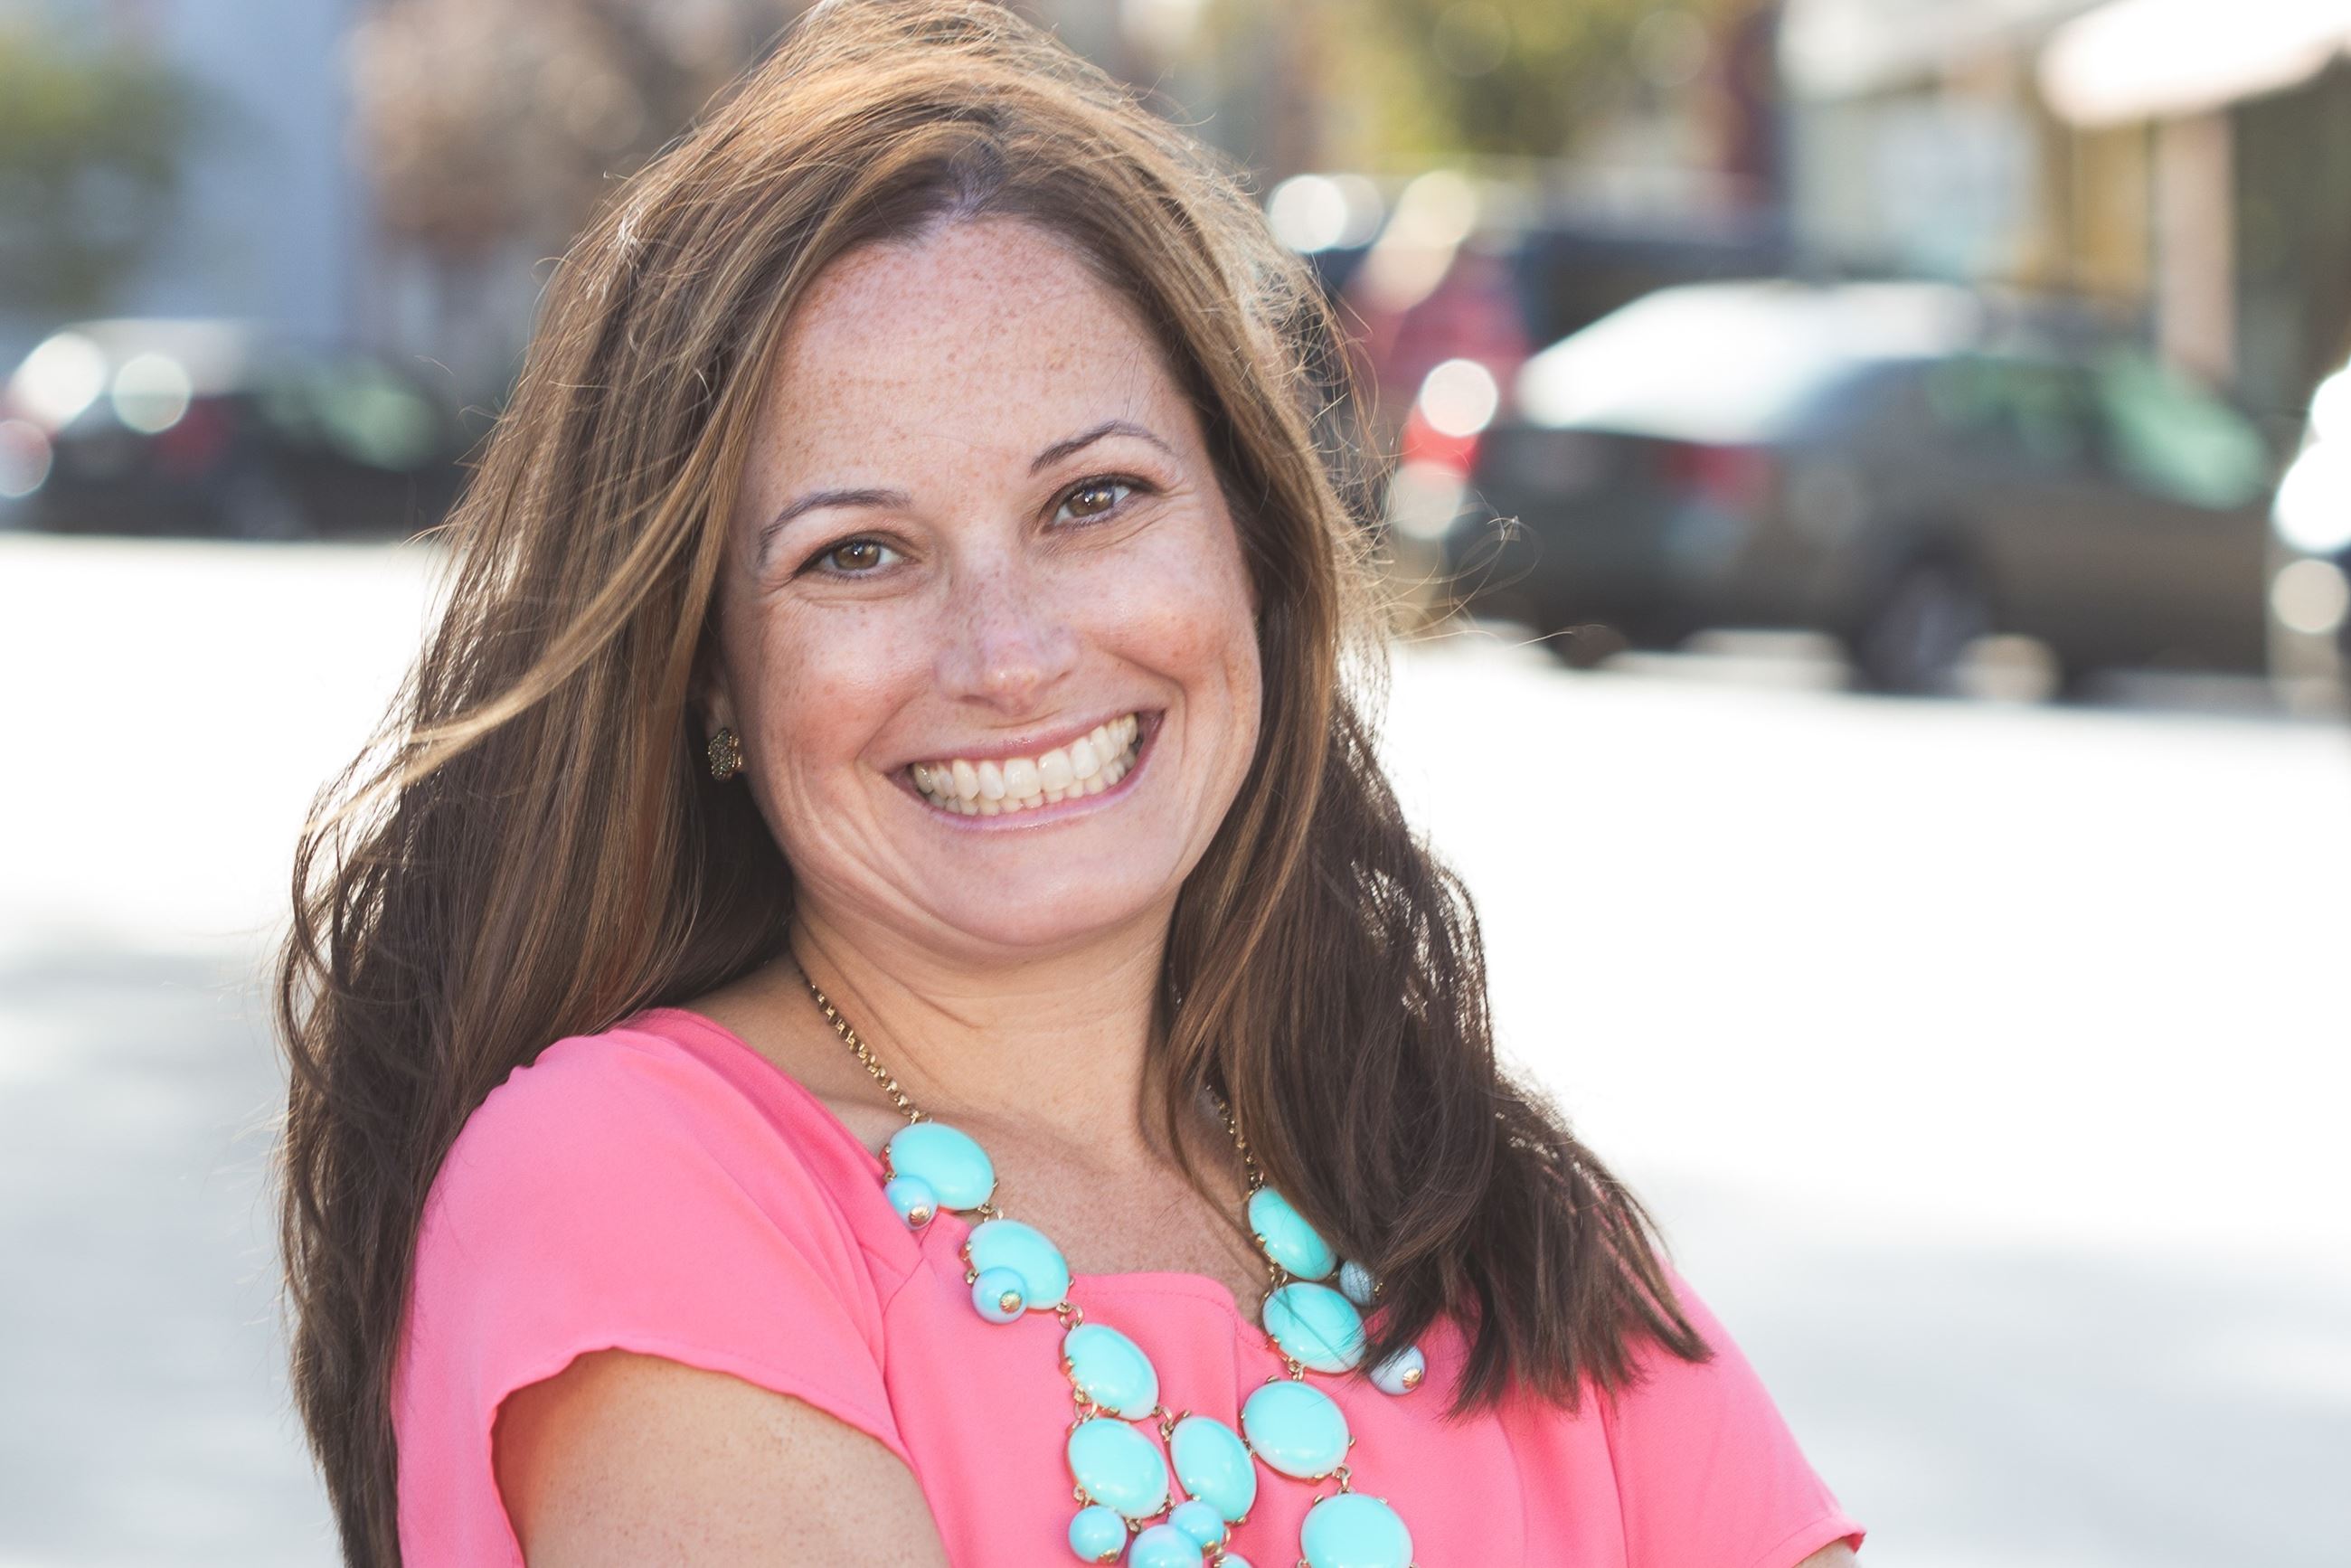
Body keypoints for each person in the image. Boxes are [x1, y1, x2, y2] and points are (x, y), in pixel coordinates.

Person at [274, 4, 1867, 1564]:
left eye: (1094, 499)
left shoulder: (1500, 1219)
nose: (1011, 652)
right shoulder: (635, 1185)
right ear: (710, 671)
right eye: (858, 553)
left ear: (1251, 536)